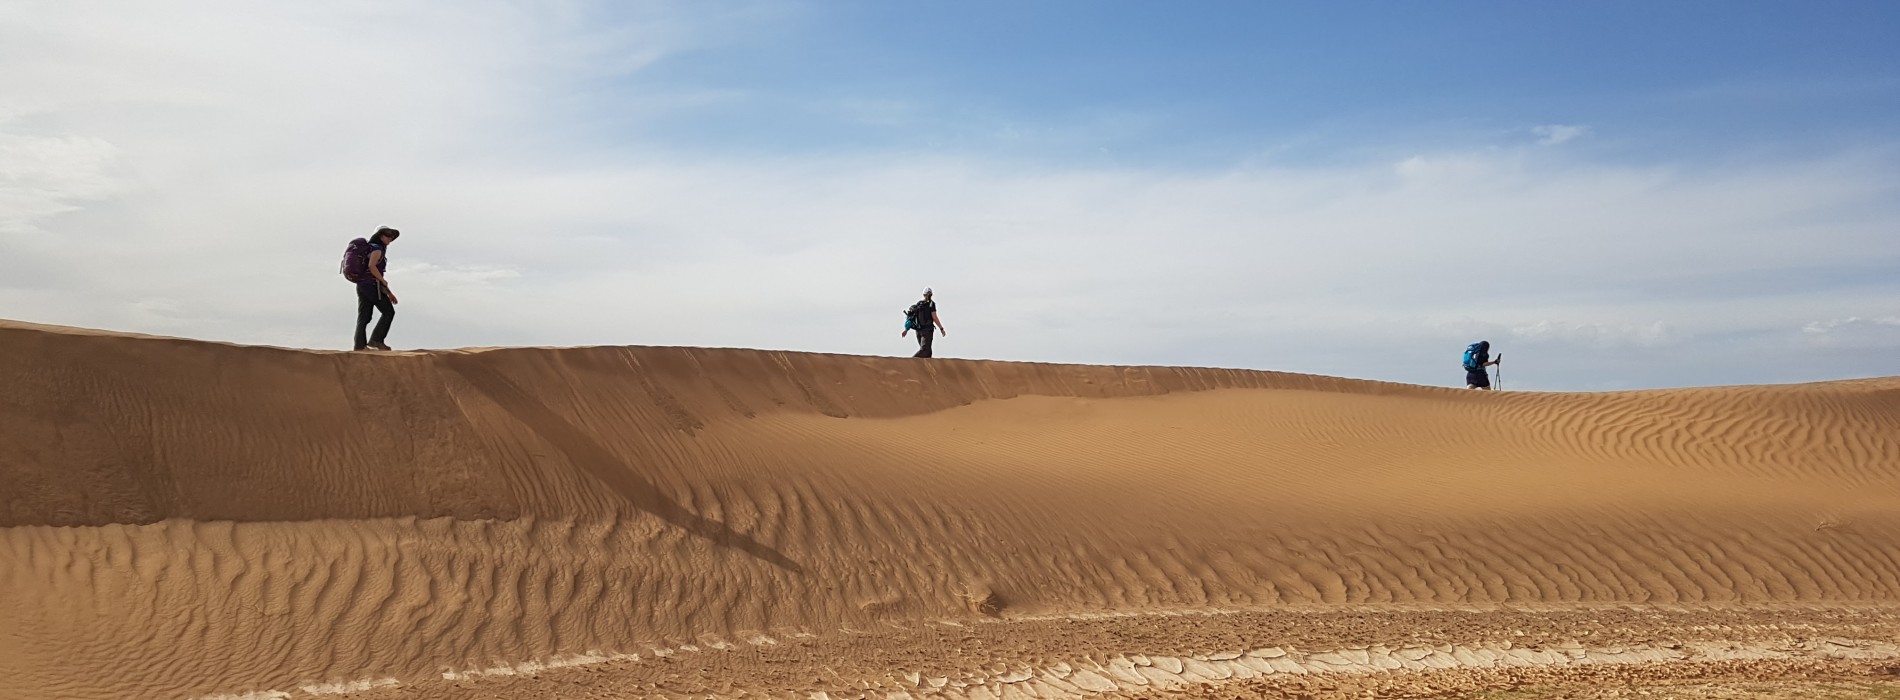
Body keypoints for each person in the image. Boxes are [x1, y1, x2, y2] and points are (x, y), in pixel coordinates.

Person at [354, 227, 400, 351]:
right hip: (371, 286)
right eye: (387, 236)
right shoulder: (377, 249)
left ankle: (359, 345)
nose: (390, 239)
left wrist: (389, 292)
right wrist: (383, 281)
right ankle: (376, 340)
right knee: (388, 312)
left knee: (364, 316)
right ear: (380, 236)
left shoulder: (370, 247)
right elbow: (372, 266)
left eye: (392, 237)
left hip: (362, 285)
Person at [900, 288, 946, 358]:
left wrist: (906, 330)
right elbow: (934, 317)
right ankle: (910, 362)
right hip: (927, 331)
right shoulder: (931, 304)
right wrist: (941, 328)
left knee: (927, 353)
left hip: (918, 331)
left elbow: (912, 317)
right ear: (931, 295)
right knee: (925, 351)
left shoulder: (919, 304)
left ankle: (924, 368)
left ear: (923, 295)